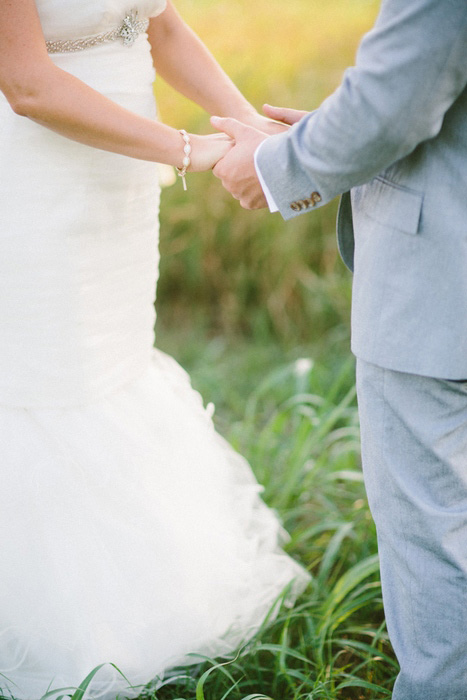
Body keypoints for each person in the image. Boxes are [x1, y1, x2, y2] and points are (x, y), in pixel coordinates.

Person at [0, 2, 311, 699]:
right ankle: (51, 620)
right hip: (34, 168)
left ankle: (134, 595)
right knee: (45, 372)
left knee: (112, 358)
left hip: (121, 165)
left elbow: (157, 21)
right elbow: (24, 83)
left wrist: (246, 126)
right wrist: (189, 149)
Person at [211, 1, 467, 698]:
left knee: (436, 555)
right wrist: (334, 130)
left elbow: (397, 102)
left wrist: (276, 167)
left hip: (442, 287)